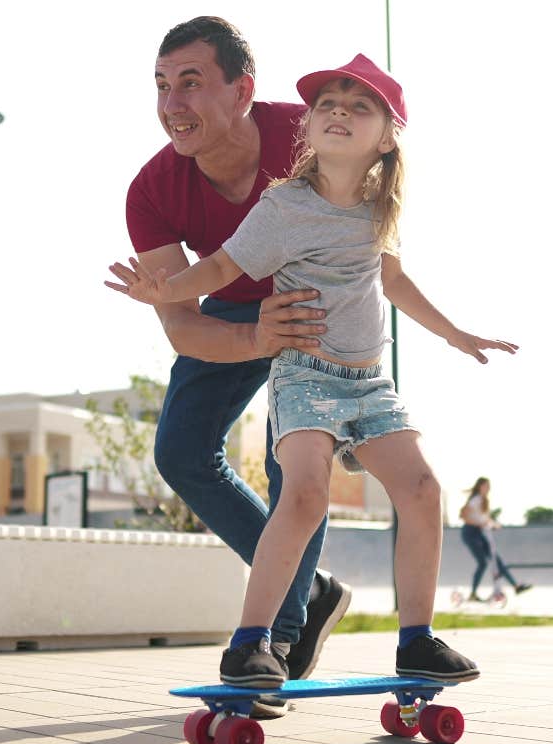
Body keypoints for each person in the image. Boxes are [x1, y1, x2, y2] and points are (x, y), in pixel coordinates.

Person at [108, 53, 518, 686]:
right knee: (299, 491)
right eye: (328, 104)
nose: (337, 113)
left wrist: (454, 333)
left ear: (386, 139)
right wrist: (163, 290)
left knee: (423, 490)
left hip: (369, 381)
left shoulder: (378, 207)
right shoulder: (281, 205)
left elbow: (394, 278)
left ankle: (415, 640)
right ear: (310, 123)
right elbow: (219, 269)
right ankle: (253, 641)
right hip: (305, 372)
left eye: (359, 108)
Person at [107, 18, 351, 709]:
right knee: (181, 451)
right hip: (238, 313)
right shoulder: (151, 192)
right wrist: (254, 340)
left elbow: (374, 211)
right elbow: (183, 326)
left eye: (191, 83)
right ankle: (312, 589)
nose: (172, 103)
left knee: (291, 461)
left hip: (318, 300)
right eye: (161, 86)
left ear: (243, 90)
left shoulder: (305, 136)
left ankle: (274, 635)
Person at [460, 477, 532, 601]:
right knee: (482, 563)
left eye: (489, 486)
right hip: (470, 532)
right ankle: (473, 594)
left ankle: (516, 586)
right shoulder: (475, 499)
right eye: (486, 486)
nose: (488, 489)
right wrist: (478, 524)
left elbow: (484, 519)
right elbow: (463, 516)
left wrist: (494, 524)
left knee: (496, 560)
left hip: (480, 532)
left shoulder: (484, 501)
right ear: (480, 486)